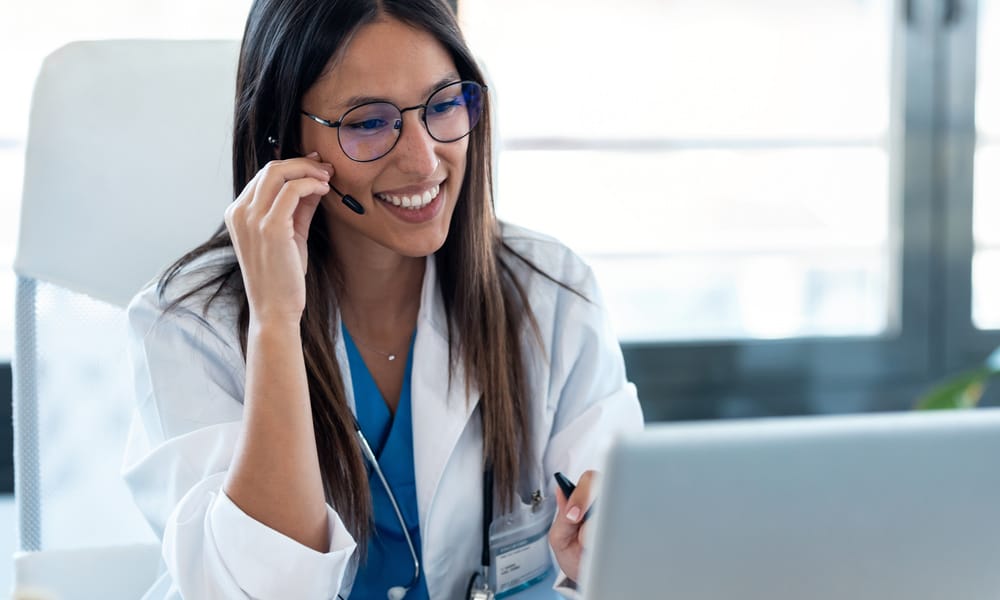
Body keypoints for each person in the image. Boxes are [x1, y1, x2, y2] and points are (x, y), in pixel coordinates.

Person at [122, 0, 643, 598]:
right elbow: (255, 591)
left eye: (444, 105)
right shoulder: (191, 326)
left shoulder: (551, 294)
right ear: (283, 137)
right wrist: (275, 322)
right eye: (369, 122)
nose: (424, 162)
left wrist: (606, 559)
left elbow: (629, 548)